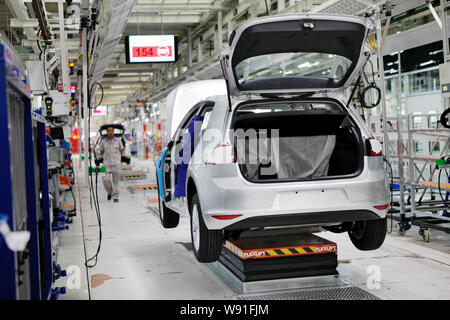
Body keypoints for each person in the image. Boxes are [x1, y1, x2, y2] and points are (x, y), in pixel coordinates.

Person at [99, 126, 124, 203]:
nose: (110, 132)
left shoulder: (118, 141)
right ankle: (109, 192)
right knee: (105, 180)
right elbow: (101, 151)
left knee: (116, 182)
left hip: (116, 164)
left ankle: (115, 196)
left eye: (112, 131)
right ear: (107, 132)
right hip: (106, 164)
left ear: (113, 131)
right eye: (109, 131)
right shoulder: (103, 142)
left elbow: (121, 149)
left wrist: (117, 158)